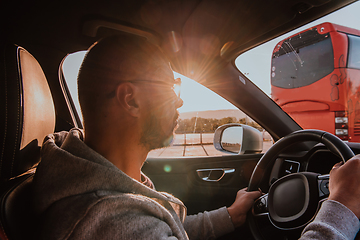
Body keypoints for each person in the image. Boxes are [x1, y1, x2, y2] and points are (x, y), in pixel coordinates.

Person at [31, 35, 360, 239]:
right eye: (169, 87)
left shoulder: (109, 185)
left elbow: (167, 229)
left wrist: (229, 216)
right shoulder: (112, 222)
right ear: (130, 99)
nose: (180, 100)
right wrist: (341, 207)